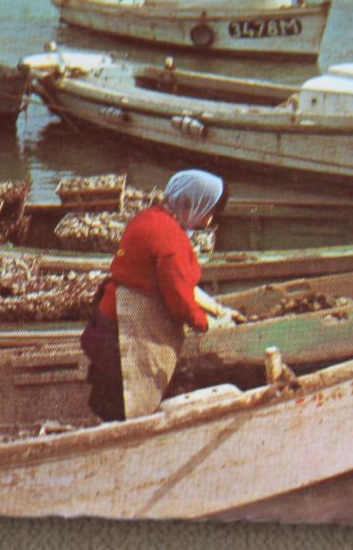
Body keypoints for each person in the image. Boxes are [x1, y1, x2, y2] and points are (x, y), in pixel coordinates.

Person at [79, 170, 243, 422]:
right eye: (208, 211)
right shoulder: (170, 239)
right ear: (191, 203)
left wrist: (218, 309)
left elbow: (174, 280)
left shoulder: (150, 217)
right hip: (125, 330)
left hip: (109, 315)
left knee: (108, 394)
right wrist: (209, 323)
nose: (209, 221)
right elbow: (180, 301)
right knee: (125, 401)